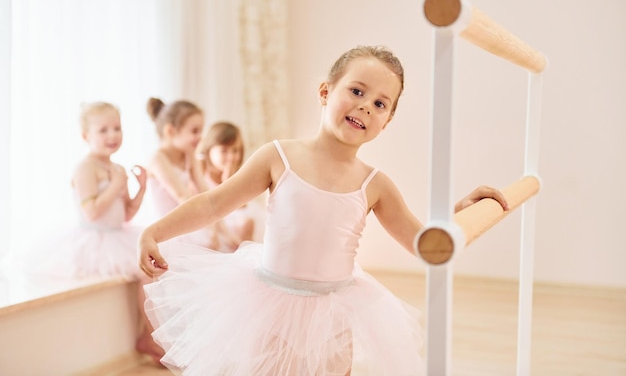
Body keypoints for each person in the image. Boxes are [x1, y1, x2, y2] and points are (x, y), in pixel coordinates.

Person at [138, 45, 509, 376]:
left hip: (333, 311)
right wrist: (154, 231)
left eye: (380, 103)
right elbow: (214, 202)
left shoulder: (375, 184)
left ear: (387, 121)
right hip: (268, 304)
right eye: (357, 91)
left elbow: (422, 242)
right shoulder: (277, 157)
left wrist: (460, 214)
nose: (366, 105)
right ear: (325, 91)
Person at [27, 102, 164, 363]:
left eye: (117, 128)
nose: (112, 135)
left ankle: (152, 334)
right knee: (143, 270)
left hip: (116, 233)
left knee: (152, 266)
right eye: (103, 130)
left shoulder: (117, 169)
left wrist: (141, 189)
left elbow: (125, 215)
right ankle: (150, 335)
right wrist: (115, 185)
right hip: (93, 238)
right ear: (85, 136)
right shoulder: (85, 168)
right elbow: (91, 212)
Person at [144, 97, 215, 248]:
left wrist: (219, 228)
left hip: (187, 220)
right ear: (170, 131)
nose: (200, 137)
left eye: (201, 131)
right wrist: (205, 224)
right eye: (194, 131)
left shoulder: (189, 154)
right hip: (166, 228)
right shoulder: (158, 159)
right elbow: (183, 196)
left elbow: (205, 193)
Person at [196, 121, 265, 252]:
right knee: (245, 224)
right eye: (224, 151)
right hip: (213, 222)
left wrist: (230, 183)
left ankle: (243, 260)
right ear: (209, 150)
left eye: (235, 150)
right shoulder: (201, 171)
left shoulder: (238, 174)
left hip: (235, 218)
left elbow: (244, 208)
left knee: (249, 222)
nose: (231, 157)